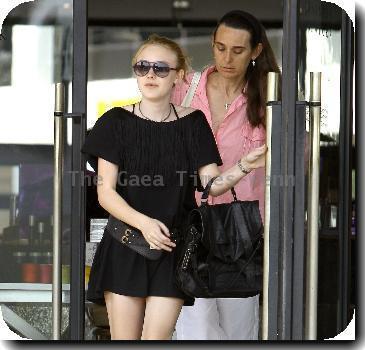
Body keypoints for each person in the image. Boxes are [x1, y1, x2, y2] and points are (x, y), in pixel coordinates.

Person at [81, 34, 266, 340]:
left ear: (179, 75)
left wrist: (246, 164)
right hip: (125, 246)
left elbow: (212, 185)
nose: (150, 74)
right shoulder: (114, 122)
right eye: (142, 67)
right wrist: (145, 224)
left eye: (160, 68)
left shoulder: (193, 122)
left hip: (173, 252)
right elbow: (105, 193)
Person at [171, 10, 281, 340]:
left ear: (256, 52)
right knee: (196, 329)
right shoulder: (185, 90)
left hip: (242, 233)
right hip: (189, 227)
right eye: (220, 48)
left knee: (239, 331)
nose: (226, 58)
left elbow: (297, 163)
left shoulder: (268, 99)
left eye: (238, 50)